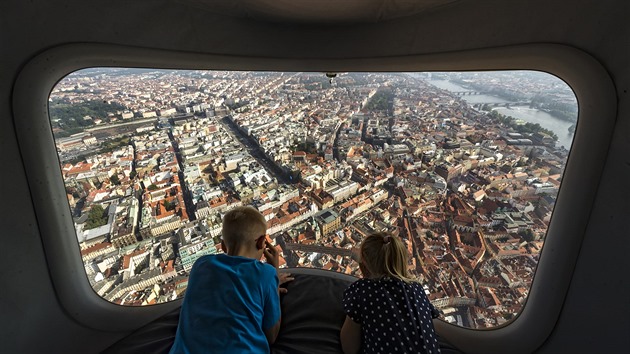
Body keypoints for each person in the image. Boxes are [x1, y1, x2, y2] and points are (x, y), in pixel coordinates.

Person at [170, 206, 293, 354]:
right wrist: (273, 280)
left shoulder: (200, 265)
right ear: (261, 242)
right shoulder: (266, 275)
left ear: (222, 246)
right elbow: (271, 335)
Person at [340, 232, 440, 354]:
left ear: (364, 264)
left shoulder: (362, 290)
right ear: (402, 261)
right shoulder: (417, 288)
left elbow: (349, 348)